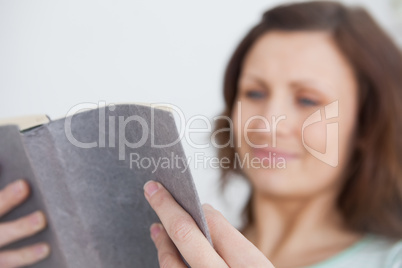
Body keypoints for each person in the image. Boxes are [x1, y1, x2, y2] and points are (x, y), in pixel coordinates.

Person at [1, 1, 401, 267]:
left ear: (367, 124)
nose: (267, 121)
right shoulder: (168, 251)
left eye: (308, 100)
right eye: (255, 93)